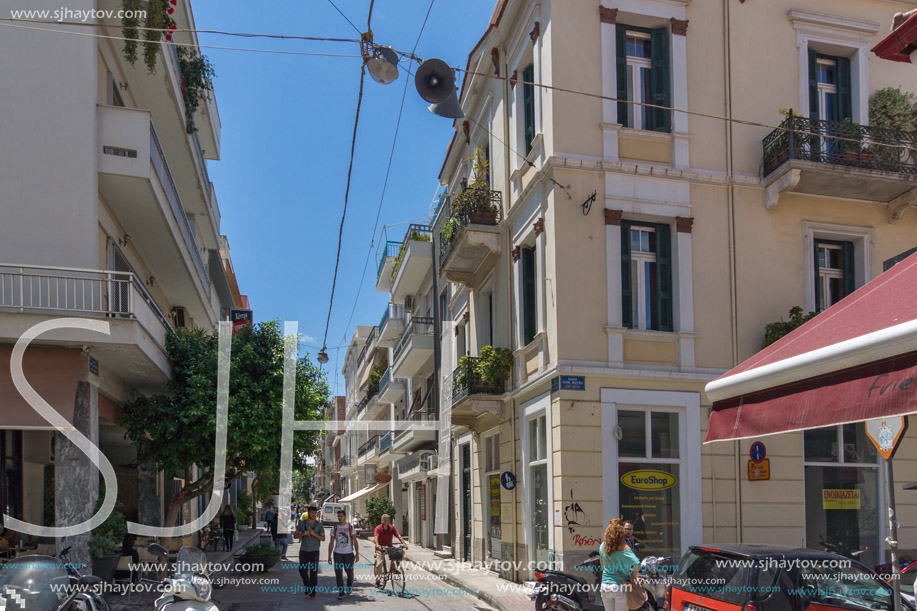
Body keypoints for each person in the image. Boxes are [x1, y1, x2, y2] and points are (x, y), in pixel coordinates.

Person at [598, 518, 640, 611]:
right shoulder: (624, 547)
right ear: (621, 532)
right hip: (619, 586)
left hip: (605, 586)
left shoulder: (602, 546)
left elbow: (602, 566)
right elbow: (637, 563)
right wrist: (633, 576)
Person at [294, 505, 325, 599]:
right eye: (312, 513)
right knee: (302, 570)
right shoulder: (302, 523)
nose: (314, 514)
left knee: (313, 572)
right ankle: (307, 585)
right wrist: (303, 534)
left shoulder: (318, 525)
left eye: (315, 513)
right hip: (304, 550)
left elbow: (323, 538)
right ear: (308, 513)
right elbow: (295, 536)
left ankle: (313, 592)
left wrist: (314, 534)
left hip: (314, 551)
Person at [328, 509, 359, 600]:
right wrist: (329, 555)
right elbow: (331, 542)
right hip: (337, 553)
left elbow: (355, 541)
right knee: (338, 573)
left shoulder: (350, 527)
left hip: (349, 554)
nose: (340, 518)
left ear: (345, 517)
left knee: (349, 572)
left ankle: (349, 585)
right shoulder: (334, 528)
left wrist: (357, 554)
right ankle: (341, 592)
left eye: (341, 516)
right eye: (338, 516)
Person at [373, 514, 408, 587]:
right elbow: (376, 537)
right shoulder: (378, 528)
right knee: (379, 564)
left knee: (399, 553)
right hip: (380, 548)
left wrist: (404, 543)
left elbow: (398, 536)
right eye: (382, 520)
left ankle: (394, 568)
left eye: (385, 521)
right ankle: (377, 580)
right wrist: (378, 545)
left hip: (389, 548)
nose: (383, 522)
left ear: (388, 521)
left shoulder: (391, 528)